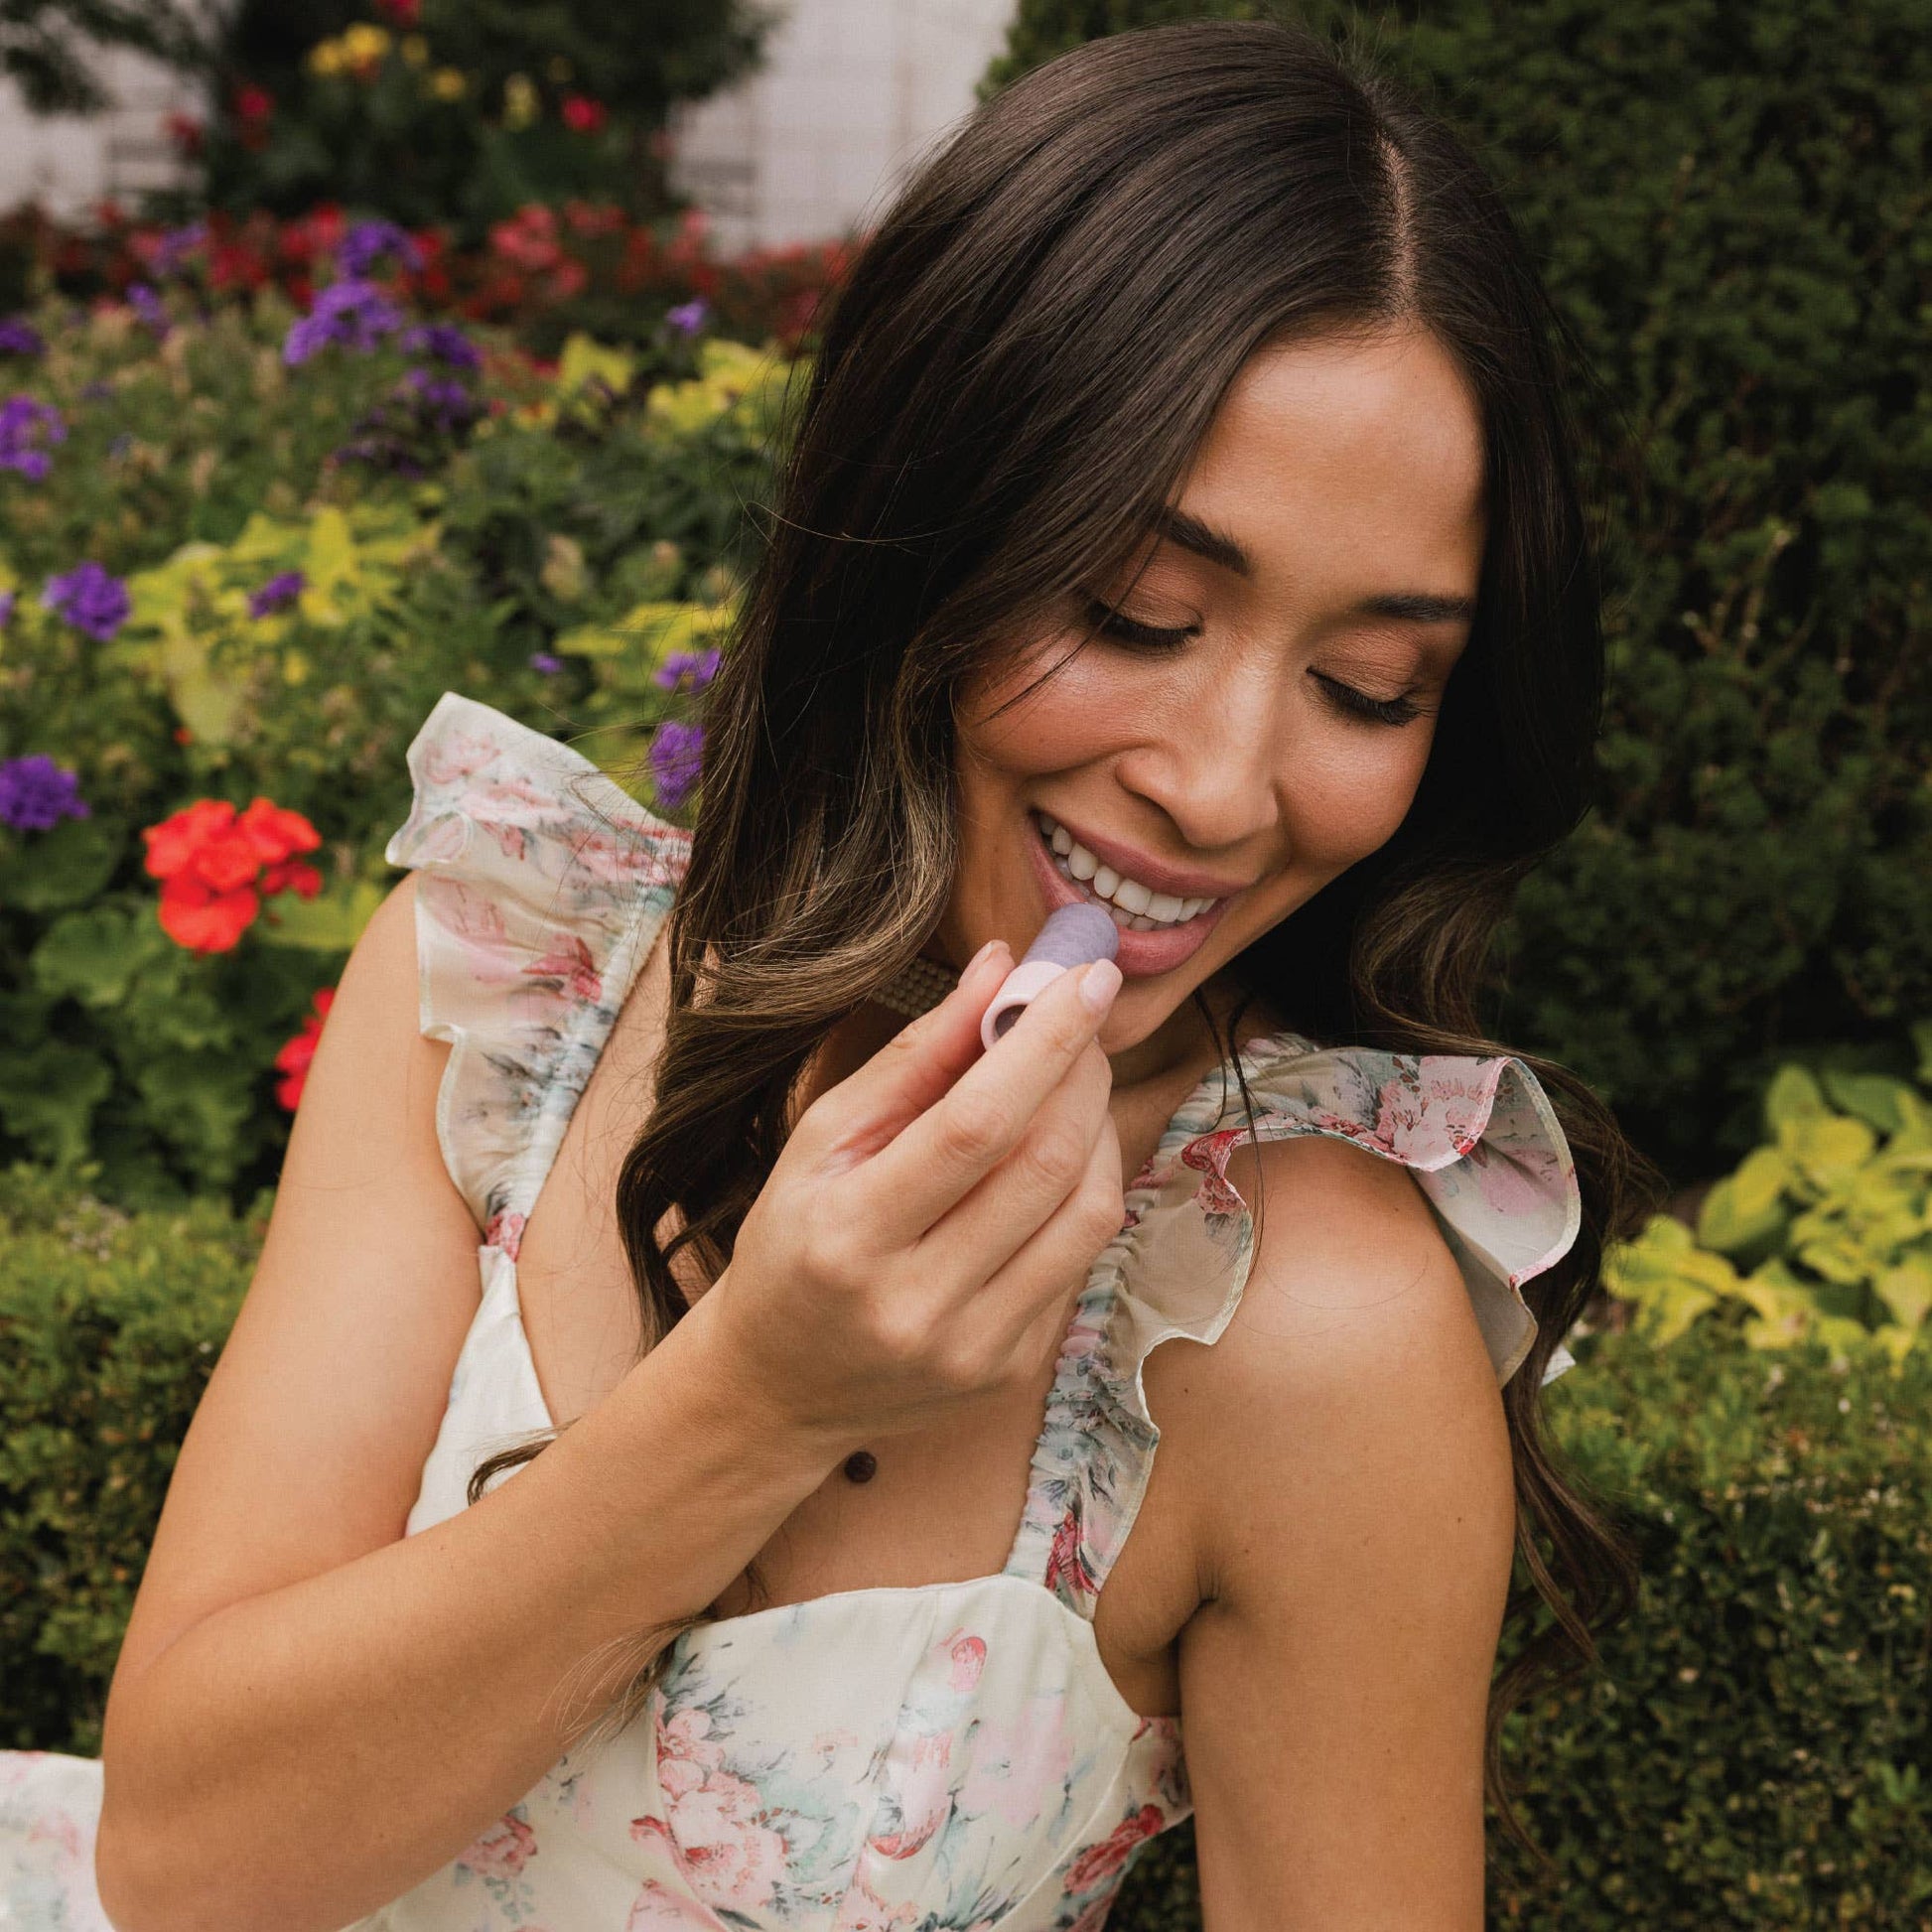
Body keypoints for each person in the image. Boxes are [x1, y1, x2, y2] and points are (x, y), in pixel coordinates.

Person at [2, 16, 1664, 1930]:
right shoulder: (511, 987)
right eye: (1135, 611)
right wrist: (759, 1397)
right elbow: (183, 1857)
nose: (1220, 787)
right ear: (922, 527)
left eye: (1369, 687)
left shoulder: (1297, 1319)